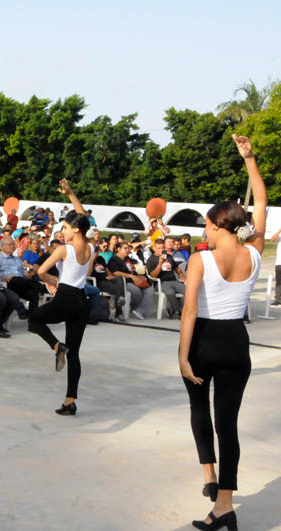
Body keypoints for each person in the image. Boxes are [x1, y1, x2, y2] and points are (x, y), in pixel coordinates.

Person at [179, 135, 266, 531]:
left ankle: (209, 477)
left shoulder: (200, 259)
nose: (206, 233)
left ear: (218, 225)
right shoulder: (253, 253)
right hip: (237, 344)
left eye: (207, 227)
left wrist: (183, 355)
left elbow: (190, 310)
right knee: (227, 424)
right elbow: (260, 205)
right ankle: (224, 504)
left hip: (203, 342)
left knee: (200, 409)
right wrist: (250, 160)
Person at [28, 179, 92, 416]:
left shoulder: (64, 250)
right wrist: (71, 193)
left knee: (34, 320)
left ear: (75, 229)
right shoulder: (91, 246)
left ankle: (56, 345)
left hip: (65, 297)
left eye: (65, 227)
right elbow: (83, 216)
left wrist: (50, 281)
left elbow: (41, 271)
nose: (61, 231)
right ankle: (70, 400)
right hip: (82, 301)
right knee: (75, 354)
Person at [0, 236, 42, 317]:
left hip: (21, 284)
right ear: (2, 246)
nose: (12, 246)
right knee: (14, 279)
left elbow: (23, 274)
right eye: (9, 244)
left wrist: (28, 275)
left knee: (33, 293)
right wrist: (5, 279)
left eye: (13, 244)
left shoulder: (17, 259)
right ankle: (42, 288)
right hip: (7, 285)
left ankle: (32, 315)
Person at [108, 242, 153, 320]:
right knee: (136, 291)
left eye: (128, 248)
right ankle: (133, 309)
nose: (127, 250)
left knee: (150, 290)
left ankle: (139, 311)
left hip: (136, 280)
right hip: (124, 282)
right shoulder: (114, 259)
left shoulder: (129, 259)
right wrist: (131, 276)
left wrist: (141, 268)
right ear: (118, 249)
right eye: (125, 248)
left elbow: (137, 268)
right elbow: (115, 272)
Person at [147, 238, 187, 318]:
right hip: (161, 283)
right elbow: (153, 276)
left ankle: (181, 309)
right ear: (154, 248)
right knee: (170, 292)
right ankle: (178, 312)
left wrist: (182, 276)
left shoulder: (169, 257)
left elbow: (177, 268)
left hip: (173, 280)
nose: (161, 250)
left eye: (163, 248)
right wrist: (160, 264)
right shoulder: (151, 260)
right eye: (159, 248)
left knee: (189, 291)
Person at [270, 226, 281, 306]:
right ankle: (278, 299)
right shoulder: (279, 234)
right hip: (279, 262)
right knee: (278, 281)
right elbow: (272, 240)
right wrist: (279, 231)